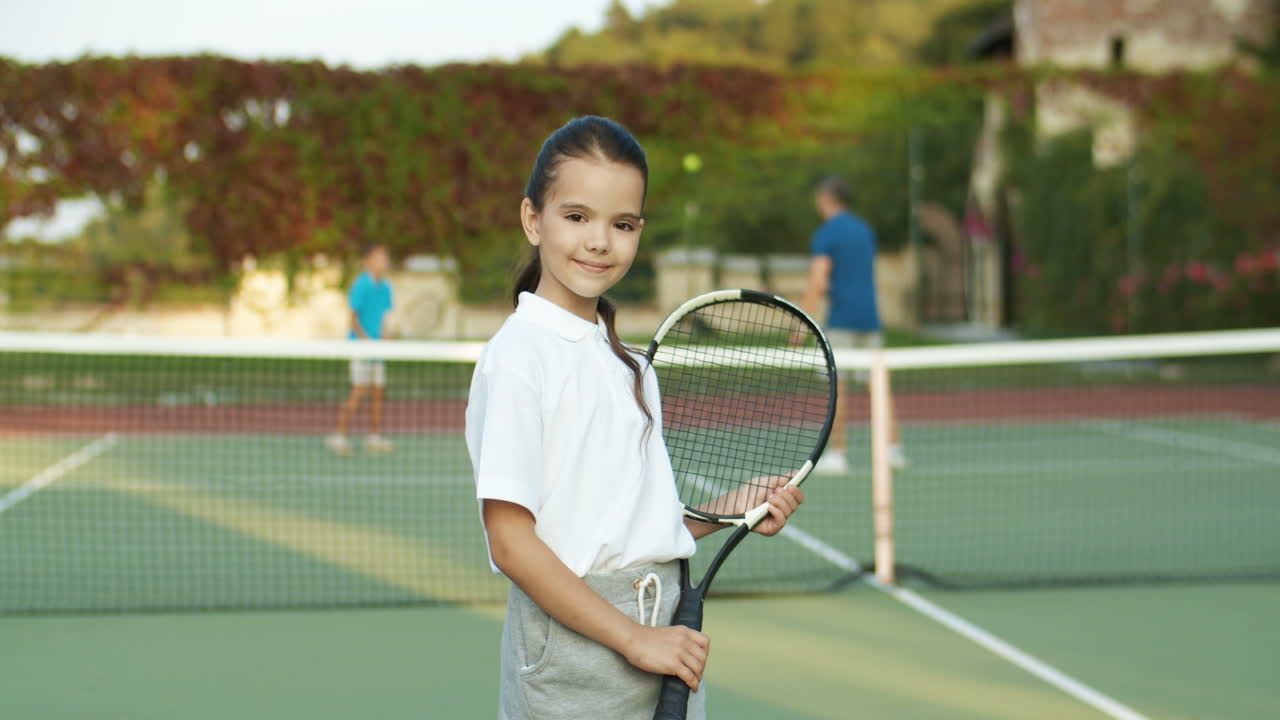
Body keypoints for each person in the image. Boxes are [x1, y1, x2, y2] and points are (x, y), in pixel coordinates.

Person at [465, 116, 805, 720]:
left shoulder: (628, 363)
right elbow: (512, 542)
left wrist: (724, 509)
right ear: (532, 219)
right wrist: (632, 638)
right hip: (576, 647)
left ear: (638, 231)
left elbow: (617, 523)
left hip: (662, 627)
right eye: (577, 217)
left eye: (622, 224)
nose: (599, 241)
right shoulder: (519, 356)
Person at [800, 176, 905, 474]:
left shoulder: (826, 234)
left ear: (825, 199)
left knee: (838, 388)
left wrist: (801, 324)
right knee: (879, 387)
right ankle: (893, 450)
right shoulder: (865, 231)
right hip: (870, 319)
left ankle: (838, 455)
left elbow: (818, 280)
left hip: (842, 321)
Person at [327, 243, 394, 456]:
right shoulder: (361, 285)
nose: (384, 262)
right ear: (368, 261)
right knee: (359, 390)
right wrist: (367, 342)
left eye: (386, 258)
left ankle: (374, 437)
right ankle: (339, 436)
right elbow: (353, 320)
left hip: (378, 350)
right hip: (360, 347)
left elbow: (383, 318)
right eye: (379, 257)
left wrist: (385, 336)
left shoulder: (386, 288)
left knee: (378, 392)